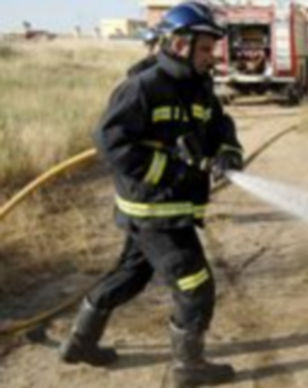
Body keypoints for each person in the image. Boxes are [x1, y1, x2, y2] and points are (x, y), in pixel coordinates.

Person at [59, 2, 242, 386]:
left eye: (213, 49)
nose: (212, 57)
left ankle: (80, 342)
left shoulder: (198, 87)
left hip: (164, 208)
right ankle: (188, 368)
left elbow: (220, 124)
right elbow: (110, 143)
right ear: (179, 44)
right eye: (205, 49)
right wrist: (170, 170)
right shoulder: (143, 87)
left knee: (130, 275)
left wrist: (227, 150)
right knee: (196, 286)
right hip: (157, 210)